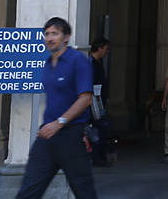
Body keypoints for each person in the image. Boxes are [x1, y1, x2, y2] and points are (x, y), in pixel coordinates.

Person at [15, 17, 98, 199]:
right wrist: (53, 125)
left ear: (66, 37)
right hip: (47, 136)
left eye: (55, 33)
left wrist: (59, 122)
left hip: (72, 135)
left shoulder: (78, 61)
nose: (50, 38)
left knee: (84, 191)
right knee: (28, 190)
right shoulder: (47, 64)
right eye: (47, 34)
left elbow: (85, 99)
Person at [88, 37, 112, 167]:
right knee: (103, 126)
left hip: (97, 102)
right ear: (99, 49)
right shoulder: (91, 64)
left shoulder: (96, 63)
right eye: (106, 49)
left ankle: (97, 155)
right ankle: (96, 156)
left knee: (100, 127)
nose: (107, 52)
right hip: (93, 103)